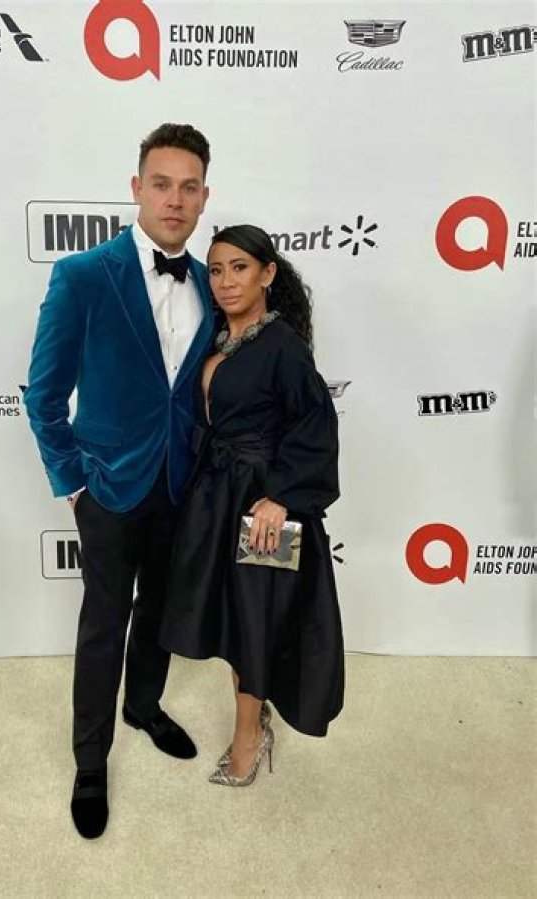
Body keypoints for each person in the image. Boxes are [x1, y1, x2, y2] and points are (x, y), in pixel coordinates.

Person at [23, 124, 214, 838]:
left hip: (180, 484)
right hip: (106, 487)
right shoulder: (82, 275)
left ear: (204, 197)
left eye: (188, 187)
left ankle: (144, 705)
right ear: (136, 188)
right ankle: (90, 762)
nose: (174, 200)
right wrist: (73, 483)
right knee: (104, 623)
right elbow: (44, 395)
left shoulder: (211, 281)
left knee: (161, 607)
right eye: (161, 184)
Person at [160, 224, 344, 787]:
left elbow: (316, 426)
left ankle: (248, 737)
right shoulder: (216, 338)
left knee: (255, 621)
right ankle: (252, 720)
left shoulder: (283, 347)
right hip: (216, 497)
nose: (225, 281)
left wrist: (281, 499)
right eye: (216, 270)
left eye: (239, 268)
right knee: (230, 616)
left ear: (268, 274)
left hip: (264, 508)